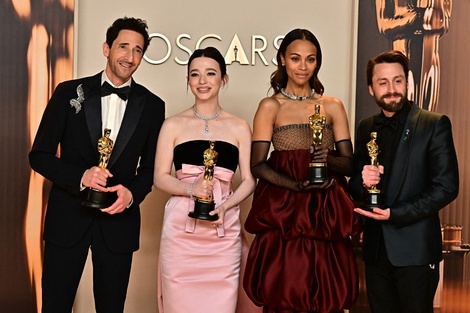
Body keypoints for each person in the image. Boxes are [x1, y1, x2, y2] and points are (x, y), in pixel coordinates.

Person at [29, 17, 165, 312]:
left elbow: (152, 168)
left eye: (138, 50)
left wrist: (131, 195)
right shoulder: (68, 93)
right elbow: (38, 155)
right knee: (55, 305)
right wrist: (81, 176)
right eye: (123, 47)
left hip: (118, 225)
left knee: (111, 307)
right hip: (67, 220)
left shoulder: (153, 106)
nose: (129, 57)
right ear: (107, 48)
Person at [243, 28, 363, 313]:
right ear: (283, 59)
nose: (303, 66)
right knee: (284, 287)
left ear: (317, 62)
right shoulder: (270, 106)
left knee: (327, 291)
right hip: (284, 209)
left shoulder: (332, 106)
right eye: (296, 58)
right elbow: (257, 164)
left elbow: (350, 164)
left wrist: (327, 160)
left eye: (310, 59)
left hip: (325, 209)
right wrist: (295, 186)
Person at [349, 50, 459, 313]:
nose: (391, 89)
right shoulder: (366, 127)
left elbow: (447, 186)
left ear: (407, 82)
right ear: (370, 88)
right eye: (383, 82)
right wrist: (363, 180)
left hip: (415, 251)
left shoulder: (434, 124)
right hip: (375, 252)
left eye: (397, 81)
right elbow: (354, 184)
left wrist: (395, 214)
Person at [153, 46, 259, 313]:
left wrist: (226, 206)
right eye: (195, 75)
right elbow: (159, 178)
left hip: (223, 229)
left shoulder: (239, 126)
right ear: (188, 80)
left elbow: (248, 180)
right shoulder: (172, 125)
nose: (202, 81)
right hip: (181, 230)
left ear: (224, 78)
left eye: (210, 73)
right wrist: (191, 188)